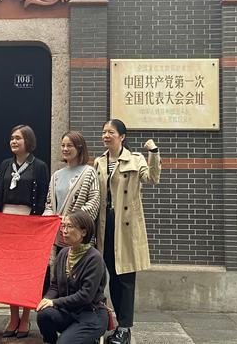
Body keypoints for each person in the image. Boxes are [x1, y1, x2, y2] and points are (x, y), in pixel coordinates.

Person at [94, 119, 161, 344]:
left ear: (122, 136)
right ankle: (113, 323)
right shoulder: (99, 162)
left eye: (110, 132)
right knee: (110, 275)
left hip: (126, 225)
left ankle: (125, 327)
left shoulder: (136, 159)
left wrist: (154, 152)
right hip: (105, 224)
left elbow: (152, 178)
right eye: (104, 132)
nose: (106, 136)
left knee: (126, 278)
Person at [0, 124, 49, 339]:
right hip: (7, 222)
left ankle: (25, 317)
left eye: (18, 138)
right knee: (9, 273)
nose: (14, 141)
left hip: (28, 223)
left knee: (26, 272)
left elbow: (43, 196)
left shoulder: (39, 166)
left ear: (28, 141)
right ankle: (12, 316)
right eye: (12, 138)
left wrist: (36, 223)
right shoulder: (6, 165)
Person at [36, 210, 108, 344]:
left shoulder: (94, 258)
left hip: (91, 314)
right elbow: (55, 286)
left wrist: (54, 302)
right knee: (44, 314)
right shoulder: (63, 254)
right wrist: (46, 299)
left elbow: (85, 296)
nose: (64, 231)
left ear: (83, 232)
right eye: (63, 226)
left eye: (69, 226)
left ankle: (89, 337)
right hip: (69, 312)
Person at [43, 131, 100, 277]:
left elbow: (93, 202)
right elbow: (49, 203)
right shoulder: (56, 175)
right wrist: (50, 218)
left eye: (70, 145)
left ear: (80, 148)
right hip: (57, 236)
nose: (65, 149)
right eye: (63, 145)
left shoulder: (89, 172)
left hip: (78, 237)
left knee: (78, 277)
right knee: (58, 277)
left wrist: (71, 221)